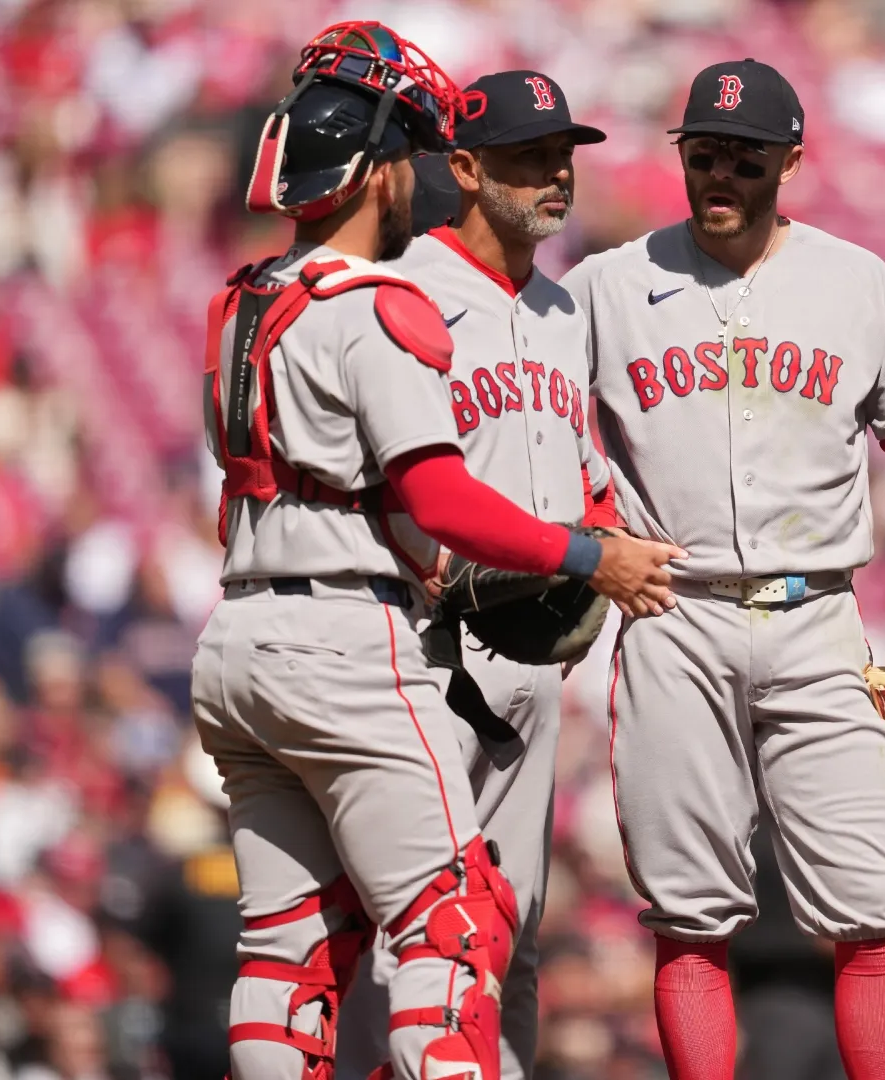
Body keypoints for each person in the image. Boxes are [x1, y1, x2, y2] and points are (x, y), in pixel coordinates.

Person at [189, 24, 682, 1080]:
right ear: (378, 170)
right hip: (348, 643)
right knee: (455, 921)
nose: (423, 176)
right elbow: (438, 495)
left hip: (239, 640)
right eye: (413, 152)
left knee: (287, 952)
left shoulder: (243, 302)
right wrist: (589, 557)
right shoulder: (378, 303)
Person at [558, 58, 885, 1080]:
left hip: (818, 612)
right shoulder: (606, 286)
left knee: (873, 907)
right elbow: (539, 434)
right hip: (672, 614)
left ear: (787, 161)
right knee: (687, 913)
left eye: (744, 156)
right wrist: (595, 536)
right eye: (702, 154)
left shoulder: (856, 281)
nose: (720, 173)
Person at [336, 69, 613, 1080]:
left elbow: (586, 471)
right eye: (527, 156)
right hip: (425, 653)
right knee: (414, 927)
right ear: (462, 167)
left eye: (562, 153)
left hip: (532, 662)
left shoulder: (562, 308)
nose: (554, 173)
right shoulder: (405, 286)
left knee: (520, 933)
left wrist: (597, 536)